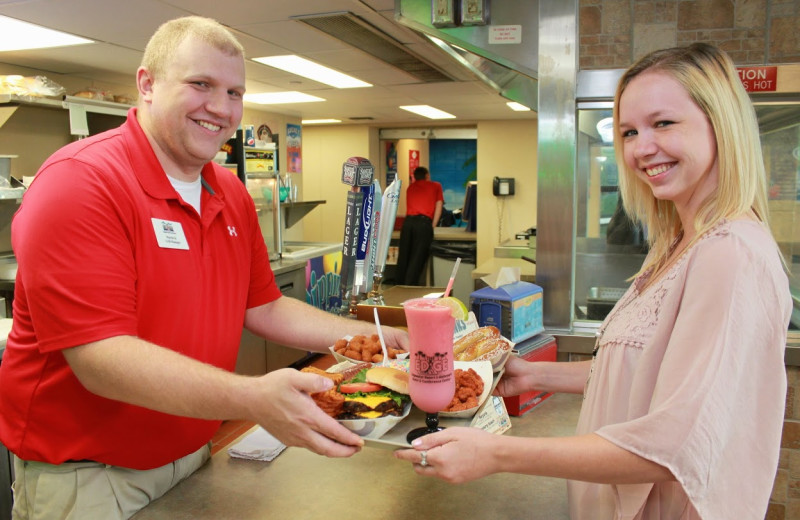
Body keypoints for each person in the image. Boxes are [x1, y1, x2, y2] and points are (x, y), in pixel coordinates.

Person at [0, 16, 407, 519]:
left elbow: (265, 306)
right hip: (90, 477)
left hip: (193, 453)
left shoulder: (228, 191)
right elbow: (102, 360)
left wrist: (377, 339)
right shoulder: (82, 183)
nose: (221, 107)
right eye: (200, 85)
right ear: (147, 84)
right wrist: (255, 397)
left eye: (235, 92)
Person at [395, 42, 790, 519]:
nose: (642, 148)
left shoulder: (732, 254)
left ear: (719, 123)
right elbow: (647, 376)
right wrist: (536, 374)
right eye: (628, 131)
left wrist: (496, 453)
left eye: (663, 123)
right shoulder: (678, 242)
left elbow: (678, 443)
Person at [394, 166, 443, 285]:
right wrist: (432, 226)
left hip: (408, 224)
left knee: (404, 258)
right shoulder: (436, 186)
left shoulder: (410, 188)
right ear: (427, 176)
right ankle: (409, 288)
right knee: (417, 259)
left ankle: (399, 288)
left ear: (414, 177)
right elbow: (439, 206)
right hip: (423, 223)